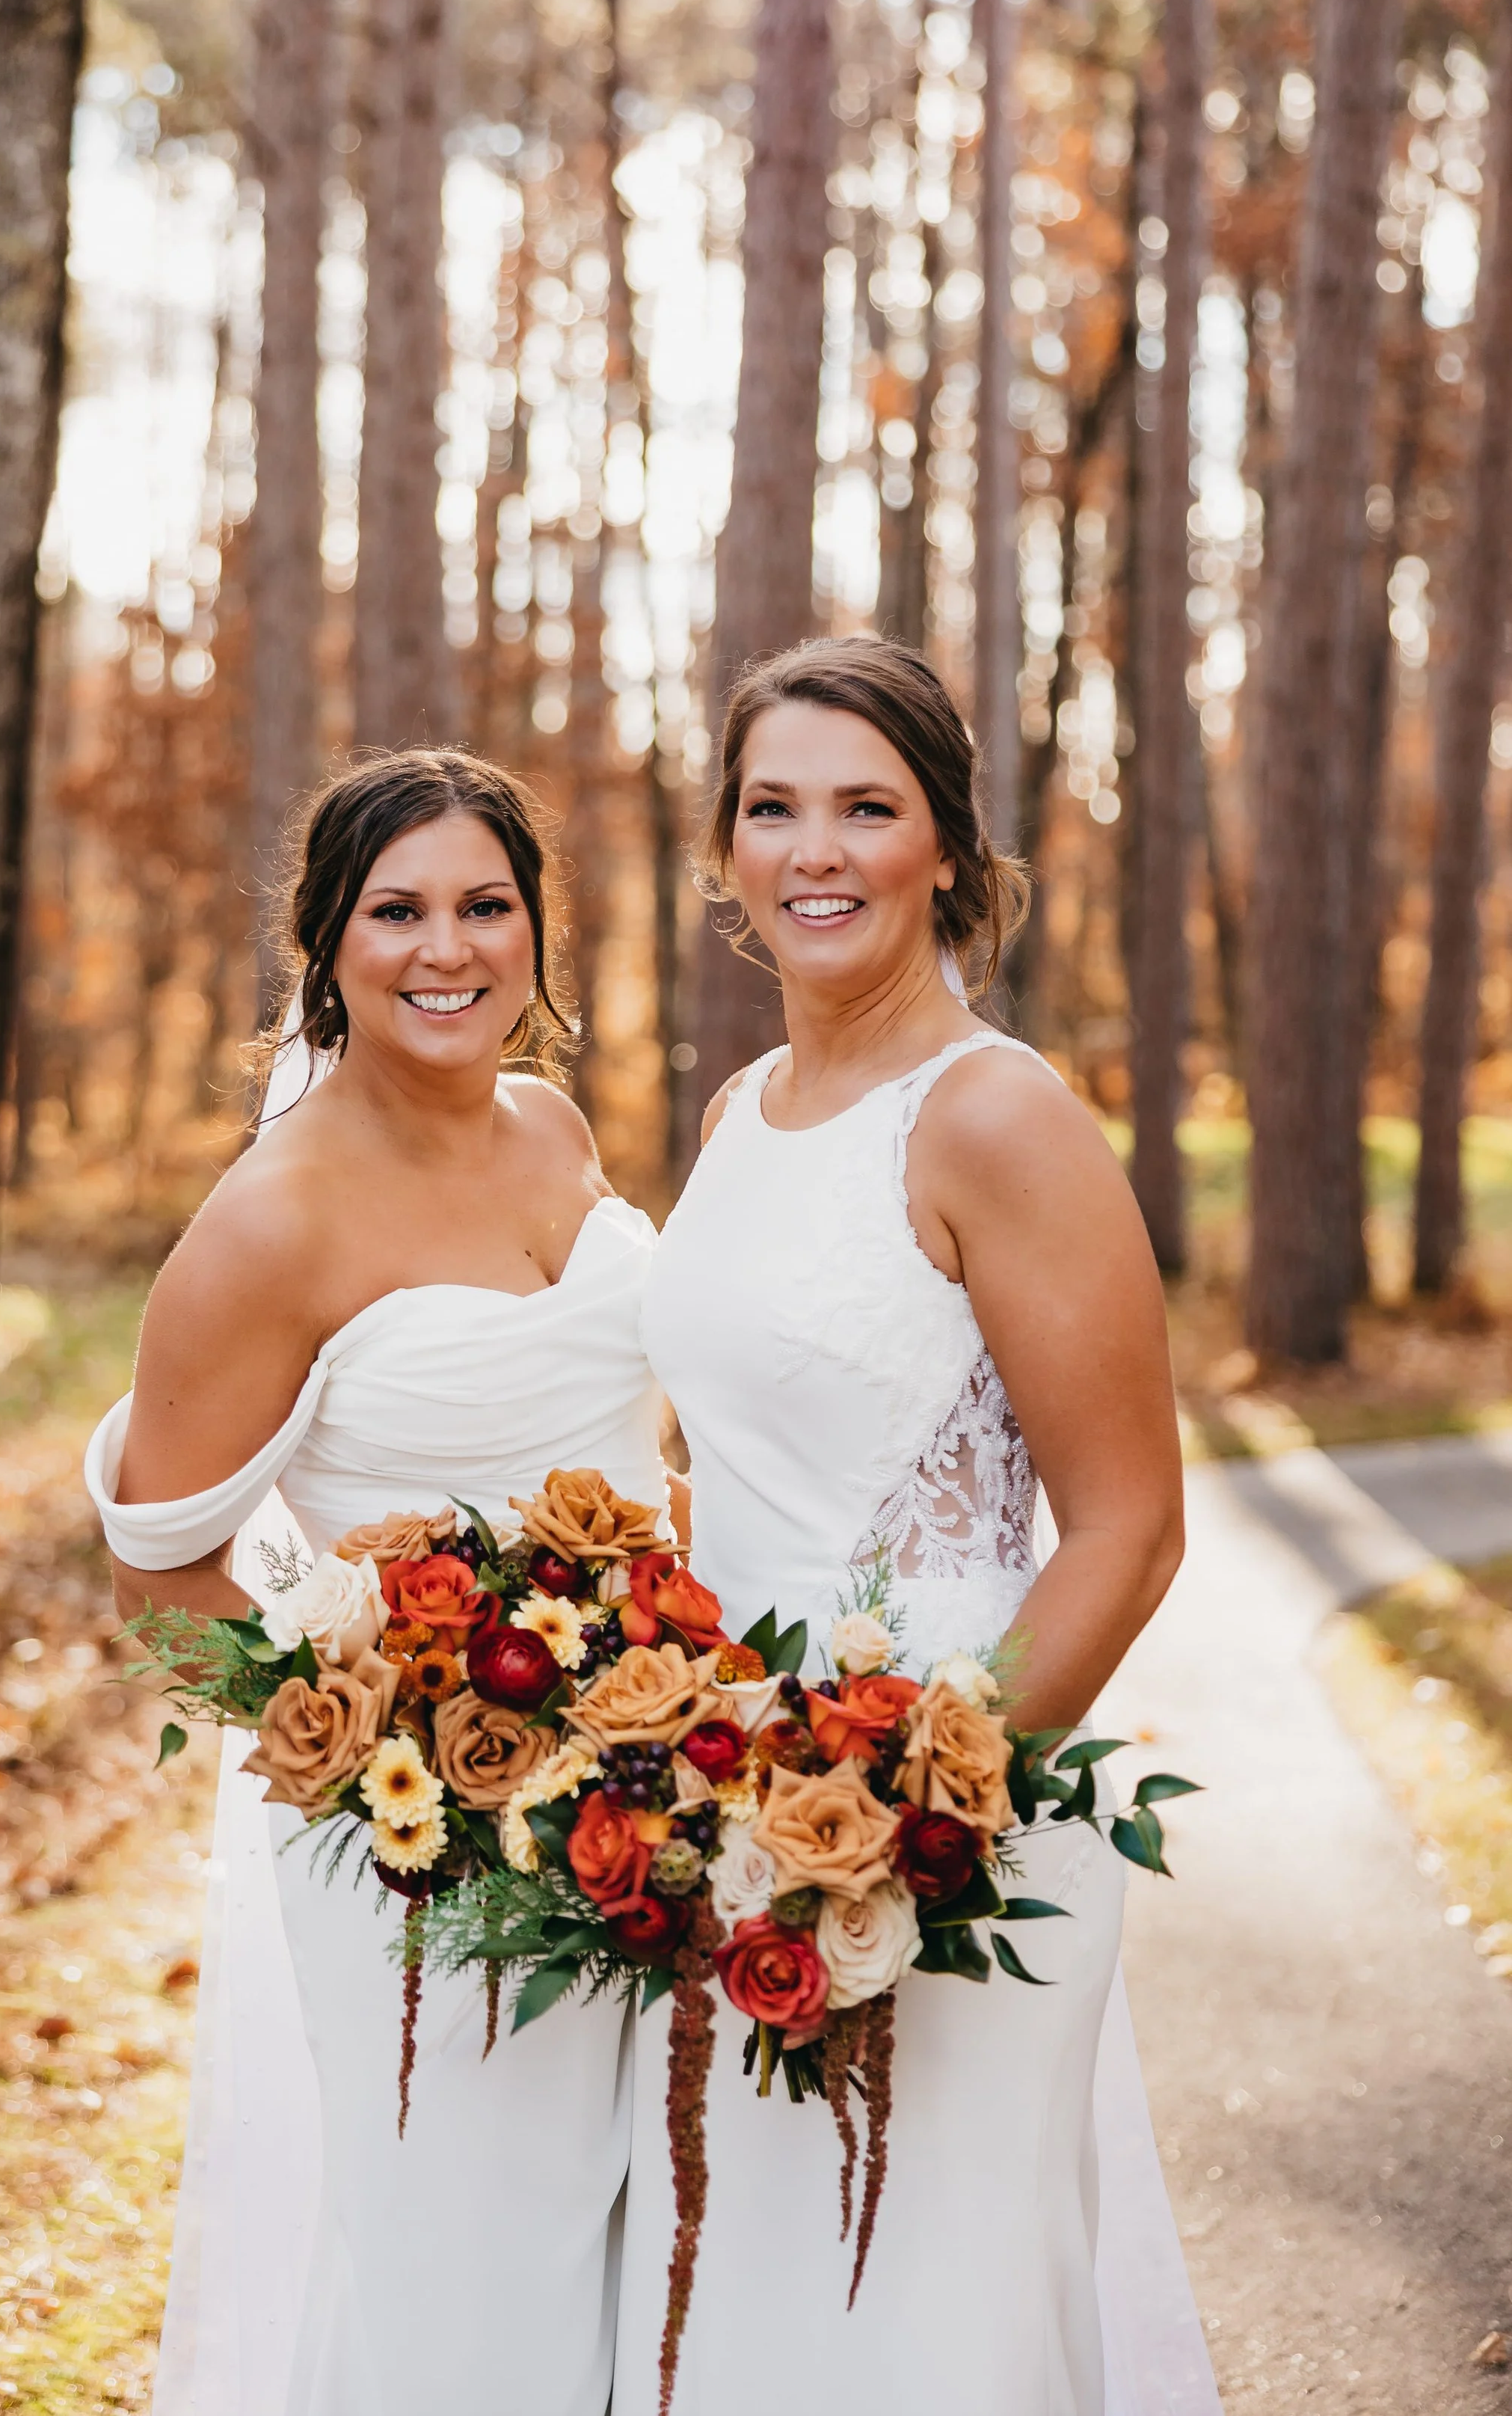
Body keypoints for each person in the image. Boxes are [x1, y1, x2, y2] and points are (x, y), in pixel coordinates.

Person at [618, 636, 1221, 2415]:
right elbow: (725, 1464)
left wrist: (909, 1821)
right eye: (771, 806)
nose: (815, 849)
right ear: (726, 848)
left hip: (946, 1823)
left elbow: (1128, 1529)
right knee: (750, 2319)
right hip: (721, 1815)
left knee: (925, 2321)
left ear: (945, 849)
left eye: (864, 807)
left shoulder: (998, 1116)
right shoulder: (737, 1114)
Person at [84, 749, 669, 2416]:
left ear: (533, 935)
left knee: (635, 2243)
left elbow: (617, 1439)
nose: (447, 948)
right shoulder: (269, 1222)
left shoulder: (553, 1129)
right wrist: (371, 1781)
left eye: (486, 906)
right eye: (396, 910)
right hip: (427, 1853)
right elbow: (155, 1579)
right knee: (466, 2265)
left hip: (648, 1785)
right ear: (325, 946)